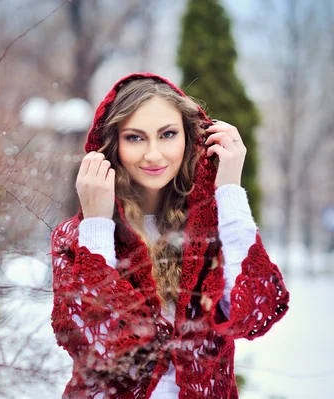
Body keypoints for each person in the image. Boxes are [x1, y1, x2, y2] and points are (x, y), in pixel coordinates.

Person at [49, 73, 290, 399]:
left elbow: (252, 313)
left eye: (167, 134)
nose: (153, 155)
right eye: (135, 138)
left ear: (189, 138)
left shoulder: (213, 230)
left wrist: (229, 189)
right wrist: (96, 225)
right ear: (112, 145)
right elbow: (97, 346)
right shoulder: (76, 235)